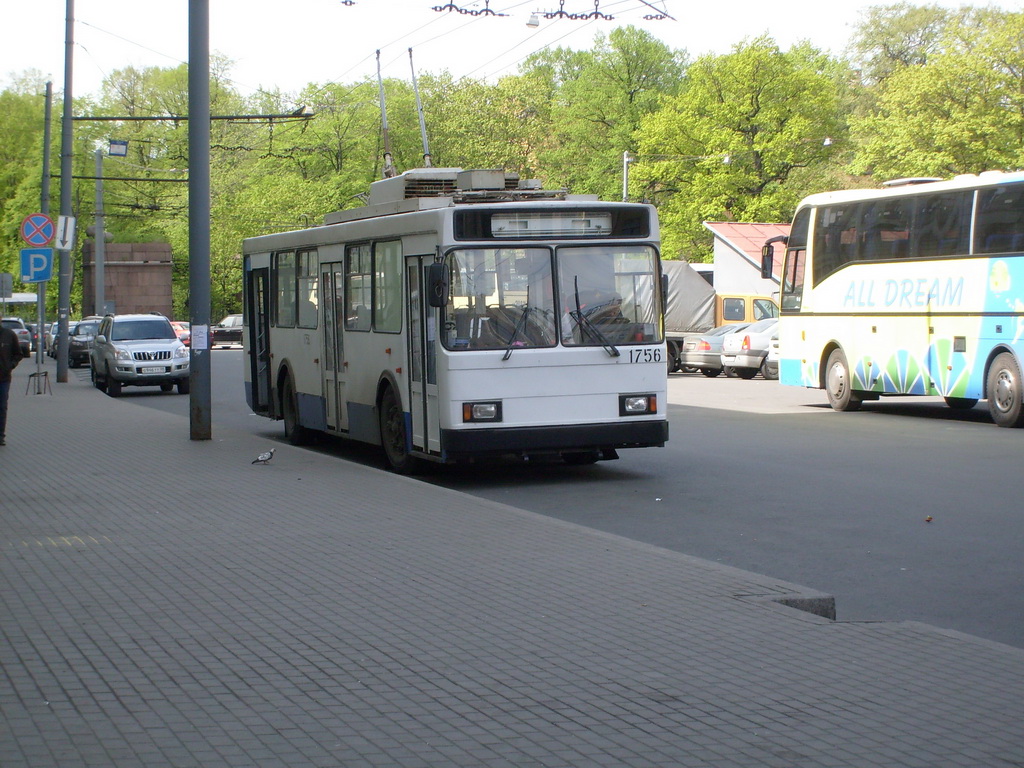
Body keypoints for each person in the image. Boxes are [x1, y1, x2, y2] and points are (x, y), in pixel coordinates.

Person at [0, 321, 27, 445]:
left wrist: (10, 365)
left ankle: (0, 436)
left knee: (1, 407)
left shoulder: (9, 335)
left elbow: (18, 354)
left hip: (3, 378)